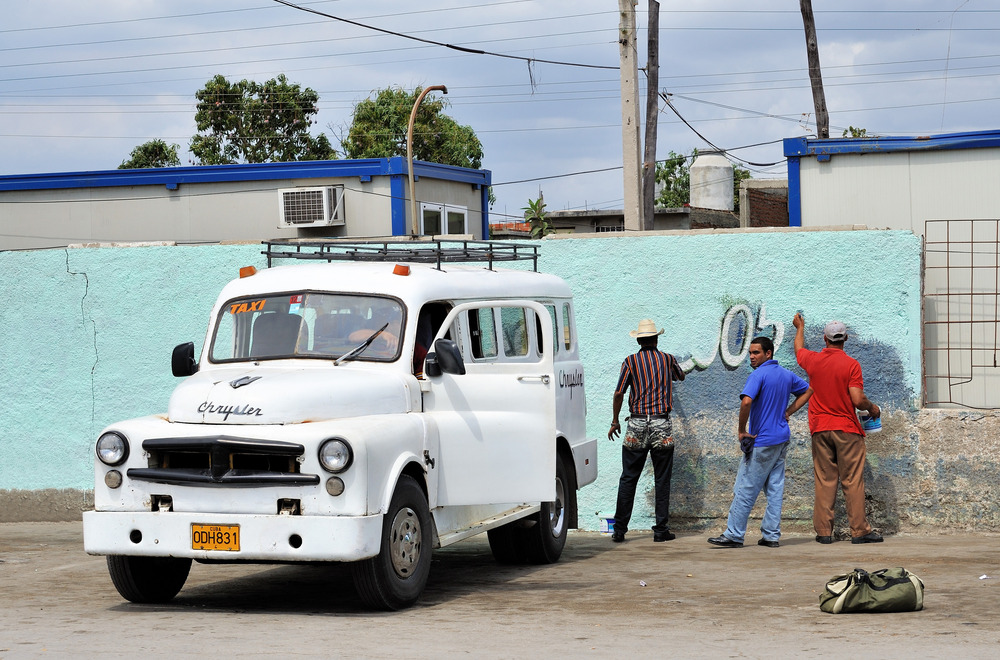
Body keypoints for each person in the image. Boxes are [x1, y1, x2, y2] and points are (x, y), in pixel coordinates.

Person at [708, 337, 812, 549]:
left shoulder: (758, 375)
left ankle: (734, 534)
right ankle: (771, 536)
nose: (752, 357)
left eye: (756, 353)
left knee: (746, 487)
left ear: (768, 353)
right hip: (781, 439)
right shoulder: (786, 374)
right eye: (750, 353)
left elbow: (746, 401)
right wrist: (789, 412)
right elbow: (808, 390)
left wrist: (741, 431)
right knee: (774, 488)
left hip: (761, 440)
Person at [793, 314, 883, 544]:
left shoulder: (812, 360)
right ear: (846, 339)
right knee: (852, 480)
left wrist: (800, 327)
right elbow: (857, 399)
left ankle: (824, 533)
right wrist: (872, 408)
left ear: (825, 339)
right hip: (846, 429)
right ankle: (860, 531)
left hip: (820, 429)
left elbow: (799, 350)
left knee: (825, 480)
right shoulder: (851, 365)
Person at [608, 319, 685, 543]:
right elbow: (680, 376)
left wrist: (615, 420)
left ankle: (620, 530)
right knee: (662, 479)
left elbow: (619, 393)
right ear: (657, 338)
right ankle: (661, 531)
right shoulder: (668, 359)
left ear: (639, 340)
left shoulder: (630, 361)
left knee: (629, 478)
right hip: (661, 425)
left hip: (637, 424)